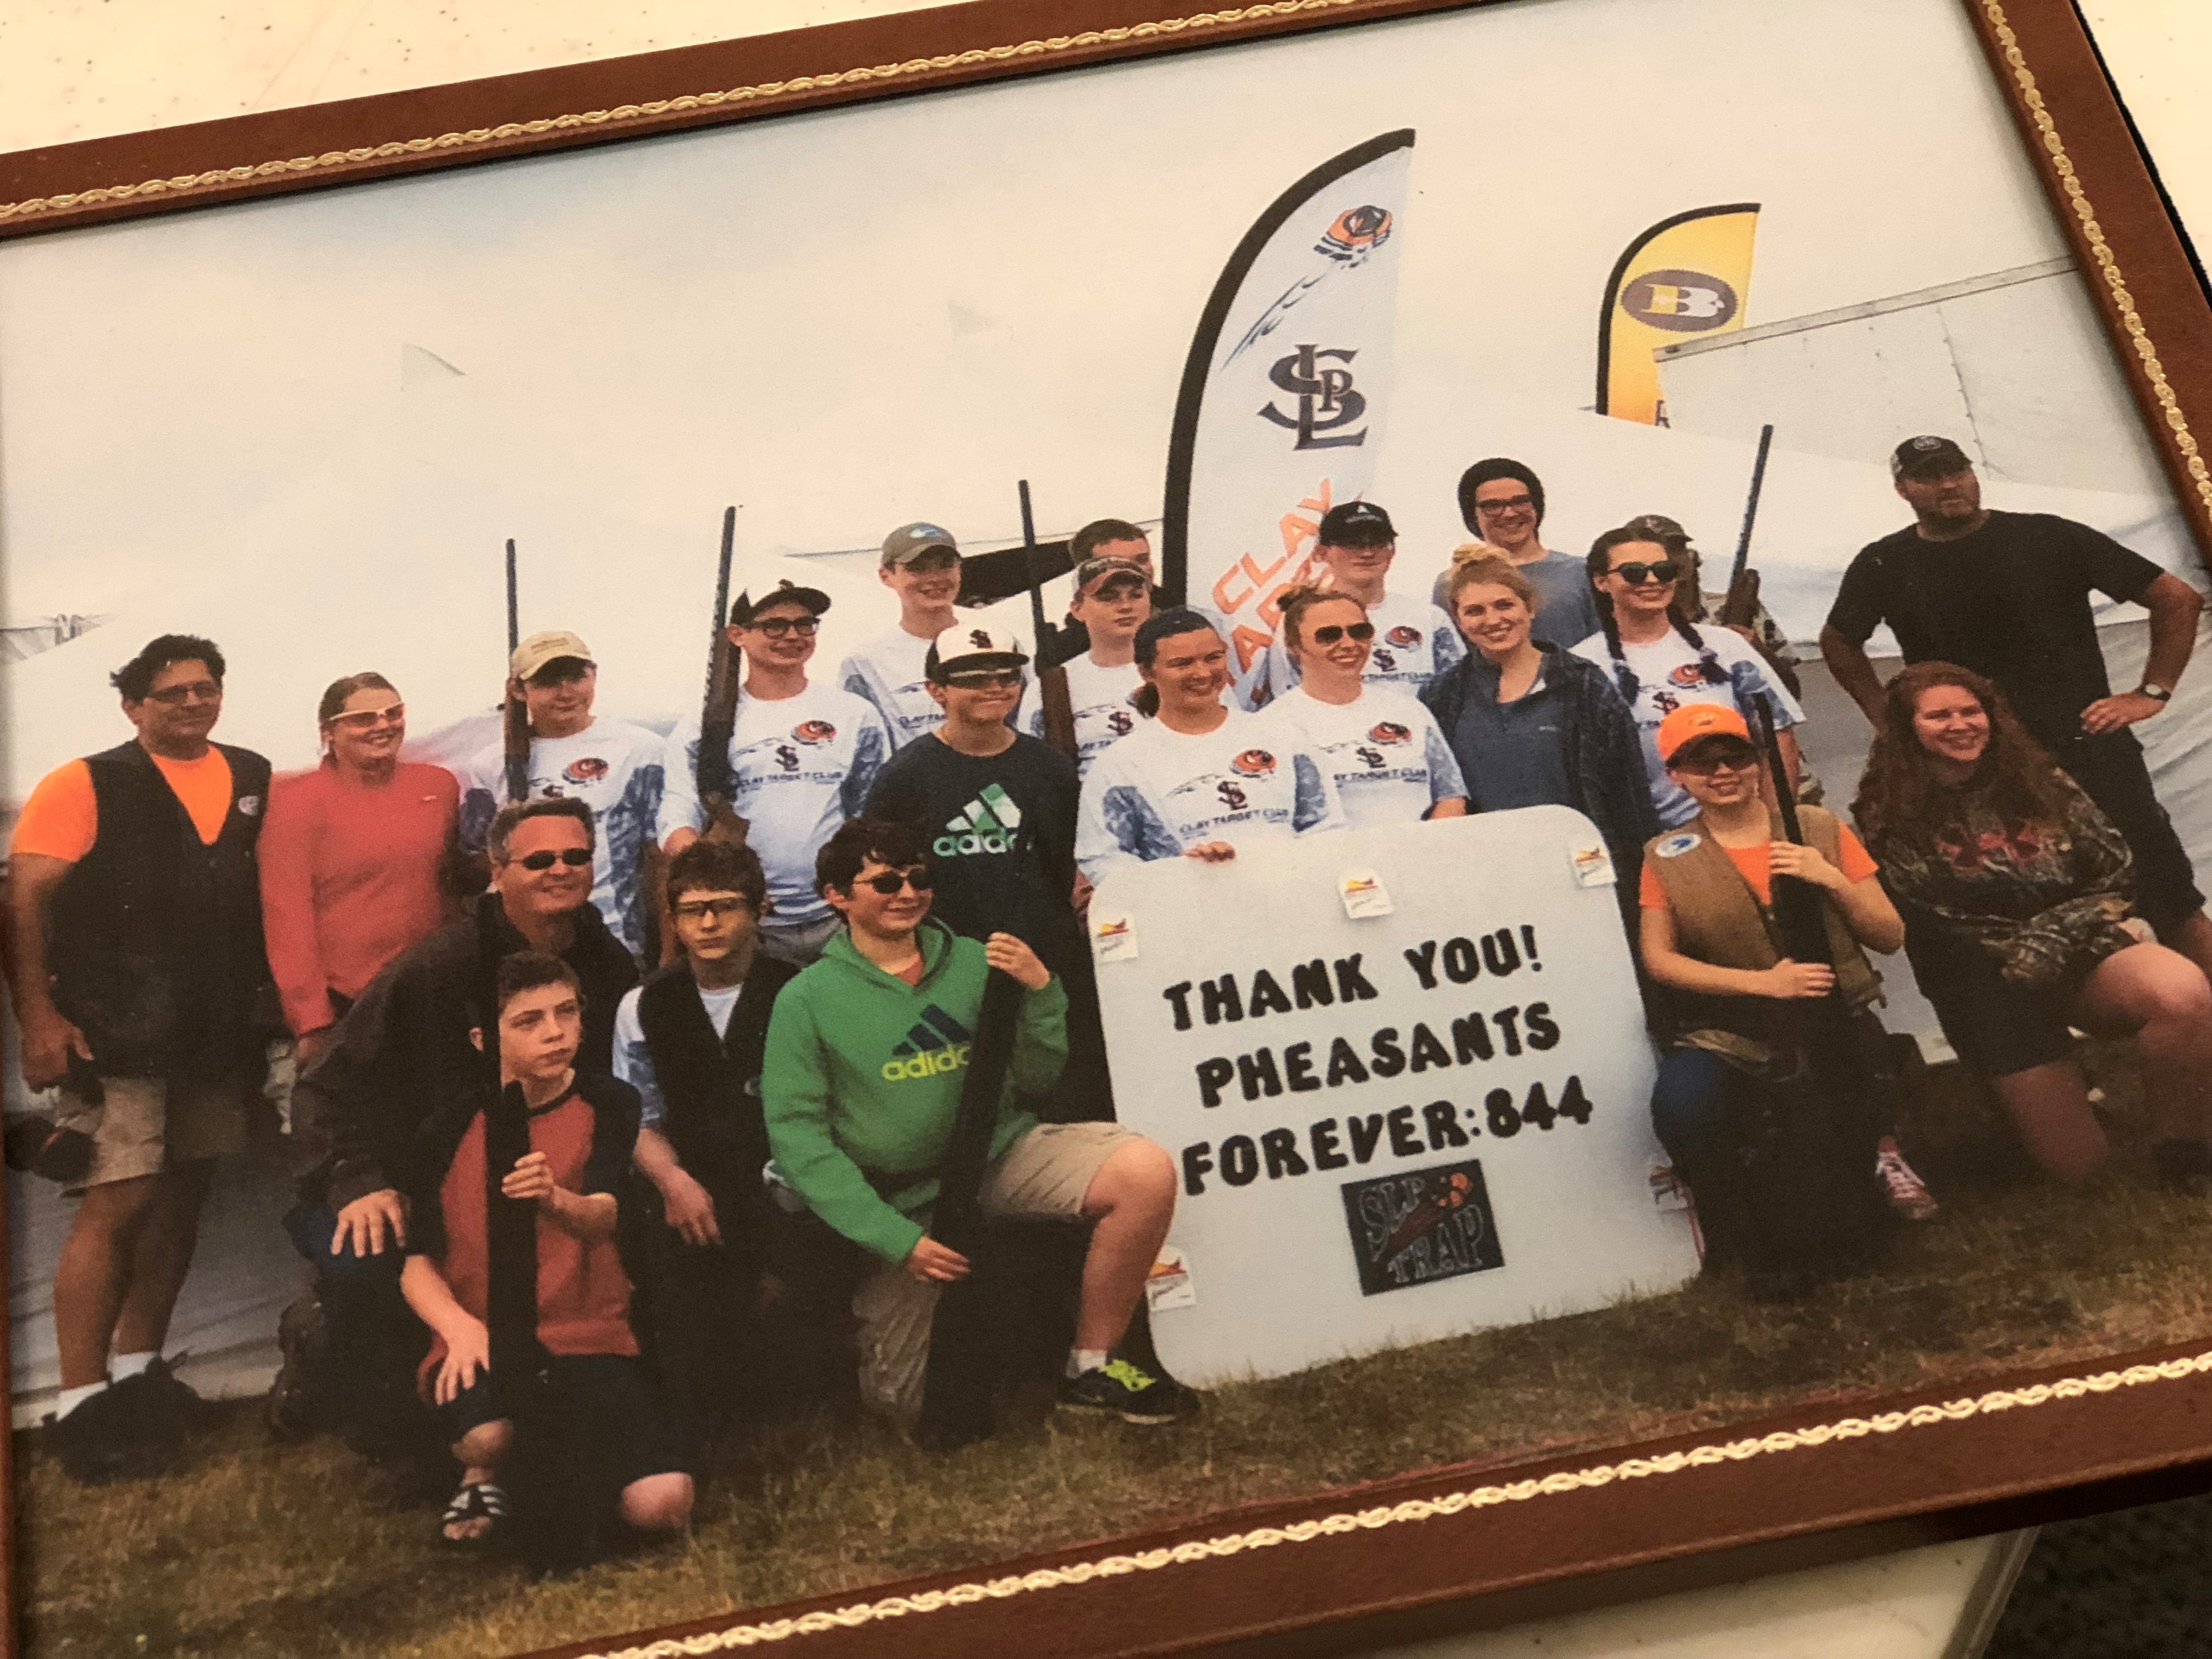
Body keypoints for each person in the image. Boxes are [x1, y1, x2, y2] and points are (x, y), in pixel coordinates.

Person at [762, 817, 1188, 1429]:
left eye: (919, 876)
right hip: (903, 1200)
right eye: (884, 881)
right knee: (907, 1404)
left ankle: (1091, 1365)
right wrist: (895, 1239)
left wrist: (1041, 992)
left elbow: (1038, 1078)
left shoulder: (974, 959)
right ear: (837, 895)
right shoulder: (805, 999)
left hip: (1000, 1153)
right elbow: (800, 1141)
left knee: (1142, 1171)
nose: (907, 892)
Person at [285, 798, 639, 1463]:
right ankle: (396, 1440)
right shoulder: (434, 967)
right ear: (497, 872)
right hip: (408, 1179)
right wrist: (358, 1181)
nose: (561, 869)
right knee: (370, 1261)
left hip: (544, 1178)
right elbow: (325, 1085)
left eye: (576, 856)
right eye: (539, 859)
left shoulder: (607, 962)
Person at [6, 634, 272, 1481]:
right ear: (132, 706)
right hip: (113, 1031)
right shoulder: (83, 781)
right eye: (170, 694)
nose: (192, 704)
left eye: (205, 689)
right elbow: (24, 900)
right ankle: (79, 1406)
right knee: (117, 1202)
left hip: (210, 1031)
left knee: (182, 1197)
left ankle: (136, 1374)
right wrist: (39, 1019)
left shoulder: (253, 772)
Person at [1821, 434, 2212, 980]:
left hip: (2086, 748)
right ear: (1903, 488)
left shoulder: (2048, 536)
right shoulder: (1885, 562)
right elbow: (1839, 640)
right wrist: (1885, 716)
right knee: (2017, 916)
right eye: (1930, 475)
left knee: (2166, 892)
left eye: (1956, 470)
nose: (1949, 483)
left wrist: (2151, 692)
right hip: (1973, 772)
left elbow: (2177, 597)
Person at [1854, 663, 2212, 1188]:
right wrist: (2025, 948)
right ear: (1907, 728)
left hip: (2081, 949)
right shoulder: (1886, 812)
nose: (1960, 724)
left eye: (1970, 711)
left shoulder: (2042, 779)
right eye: (1939, 716)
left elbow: (2115, 869)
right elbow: (1935, 915)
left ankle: (2185, 1150)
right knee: (2081, 1169)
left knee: (2181, 992)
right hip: (1986, 984)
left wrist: (2056, 933)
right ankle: (2034, 1100)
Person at [400, 951, 692, 1550]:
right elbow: (415, 1259)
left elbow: (606, 1215)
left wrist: (554, 1198)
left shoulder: (608, 1101)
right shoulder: (447, 1127)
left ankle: (562, 1473)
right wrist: (457, 1328)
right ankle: (479, 1468)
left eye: (566, 1012)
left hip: (587, 1332)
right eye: (529, 1020)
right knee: (490, 1436)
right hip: (484, 1336)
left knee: (662, 1503)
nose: (555, 1032)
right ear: (486, 1038)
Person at [1636, 706, 1935, 1282]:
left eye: (1736, 756)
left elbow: (1889, 934)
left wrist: (1829, 877)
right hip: (1736, 1027)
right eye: (1703, 763)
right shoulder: (1664, 856)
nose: (1723, 772)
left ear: (1757, 763)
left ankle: (1874, 1172)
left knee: (1846, 1112)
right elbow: (1660, 959)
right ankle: (1727, 1224)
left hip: (1834, 1013)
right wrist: (1764, 983)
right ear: (1677, 774)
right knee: (1683, 1101)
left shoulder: (1818, 827)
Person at [868, 626, 1108, 1120]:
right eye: (974, 678)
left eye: (1007, 675)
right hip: (948, 962)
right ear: (937, 689)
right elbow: (888, 873)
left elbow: (1066, 862)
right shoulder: (906, 775)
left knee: (1059, 1091)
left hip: (1041, 959)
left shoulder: (1050, 768)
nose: (995, 687)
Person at [612, 840, 801, 1443]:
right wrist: (673, 1181)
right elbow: (634, 1114)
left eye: (725, 906)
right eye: (693, 910)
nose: (710, 923)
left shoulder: (799, 991)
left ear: (760, 909)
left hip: (788, 1180)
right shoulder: (643, 1004)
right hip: (689, 1184)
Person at [660, 581, 890, 967]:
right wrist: (718, 877)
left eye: (805, 624)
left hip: (840, 916)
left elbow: (874, 812)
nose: (792, 635)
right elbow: (676, 818)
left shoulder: (855, 715)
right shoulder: (701, 728)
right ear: (737, 635)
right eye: (774, 625)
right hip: (747, 924)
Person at [1422, 558, 1658, 926]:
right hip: (1485, 881)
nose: (1492, 619)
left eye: (1504, 605)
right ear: (1458, 621)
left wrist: (1643, 884)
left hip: (1580, 871)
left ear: (1529, 608)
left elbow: (1628, 793)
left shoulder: (1583, 684)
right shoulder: (1443, 695)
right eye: (1474, 611)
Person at [259, 673, 460, 1063]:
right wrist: (311, 1019)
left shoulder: (439, 786)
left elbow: (450, 885)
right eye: (364, 718)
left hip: (427, 990)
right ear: (328, 731)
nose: (383, 725)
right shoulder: (294, 802)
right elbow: (286, 915)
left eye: (393, 713)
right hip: (344, 1000)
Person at [1077, 610, 1345, 880]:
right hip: (1192, 913)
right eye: (1183, 664)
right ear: (1147, 672)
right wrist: (1182, 872)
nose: (1203, 673)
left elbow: (1325, 825)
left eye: (1213, 658)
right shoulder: (1121, 764)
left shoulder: (1282, 736)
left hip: (1289, 900)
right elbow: (1103, 858)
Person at [456, 630, 668, 962]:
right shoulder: (489, 764)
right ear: (518, 690)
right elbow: (476, 862)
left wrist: (667, 953)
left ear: (594, 675)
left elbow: (660, 858)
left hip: (617, 946)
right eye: (548, 682)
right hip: (522, 952)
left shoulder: (641, 749)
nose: (566, 692)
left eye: (576, 677)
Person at [1574, 526, 1806, 828]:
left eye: (1664, 570)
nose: (1652, 580)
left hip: (1743, 824)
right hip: (1653, 838)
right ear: (1602, 582)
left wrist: (1775, 824)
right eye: (1634, 572)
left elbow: (1778, 736)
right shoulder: (1582, 664)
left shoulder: (1726, 645)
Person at [1260, 587, 1468, 828]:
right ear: (1294, 646)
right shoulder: (1271, 726)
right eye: (1329, 635)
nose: (1348, 644)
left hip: (1420, 856)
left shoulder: (1410, 710)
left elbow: (1451, 796)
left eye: (1360, 632)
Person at [1262, 501, 1462, 702]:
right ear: (1323, 553)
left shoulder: (1429, 617)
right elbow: (1288, 696)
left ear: (1392, 551)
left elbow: (1458, 691)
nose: (1367, 553)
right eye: (1353, 544)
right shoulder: (1303, 618)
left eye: (1377, 543)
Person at [1017, 555, 1152, 776]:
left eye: (1136, 595)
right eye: (1108, 598)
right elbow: (1033, 770)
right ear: (1078, 609)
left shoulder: (1183, 671)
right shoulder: (1051, 687)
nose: (1126, 606)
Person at [1448, 458, 1602, 648]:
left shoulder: (1582, 573)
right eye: (1493, 506)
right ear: (1473, 515)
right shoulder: (1452, 582)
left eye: (1521, 502)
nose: (1509, 513)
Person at [837, 521, 965, 751]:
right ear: (886, 576)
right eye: (918, 568)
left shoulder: (998, 645)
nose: (935, 578)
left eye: (946, 565)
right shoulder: (865, 663)